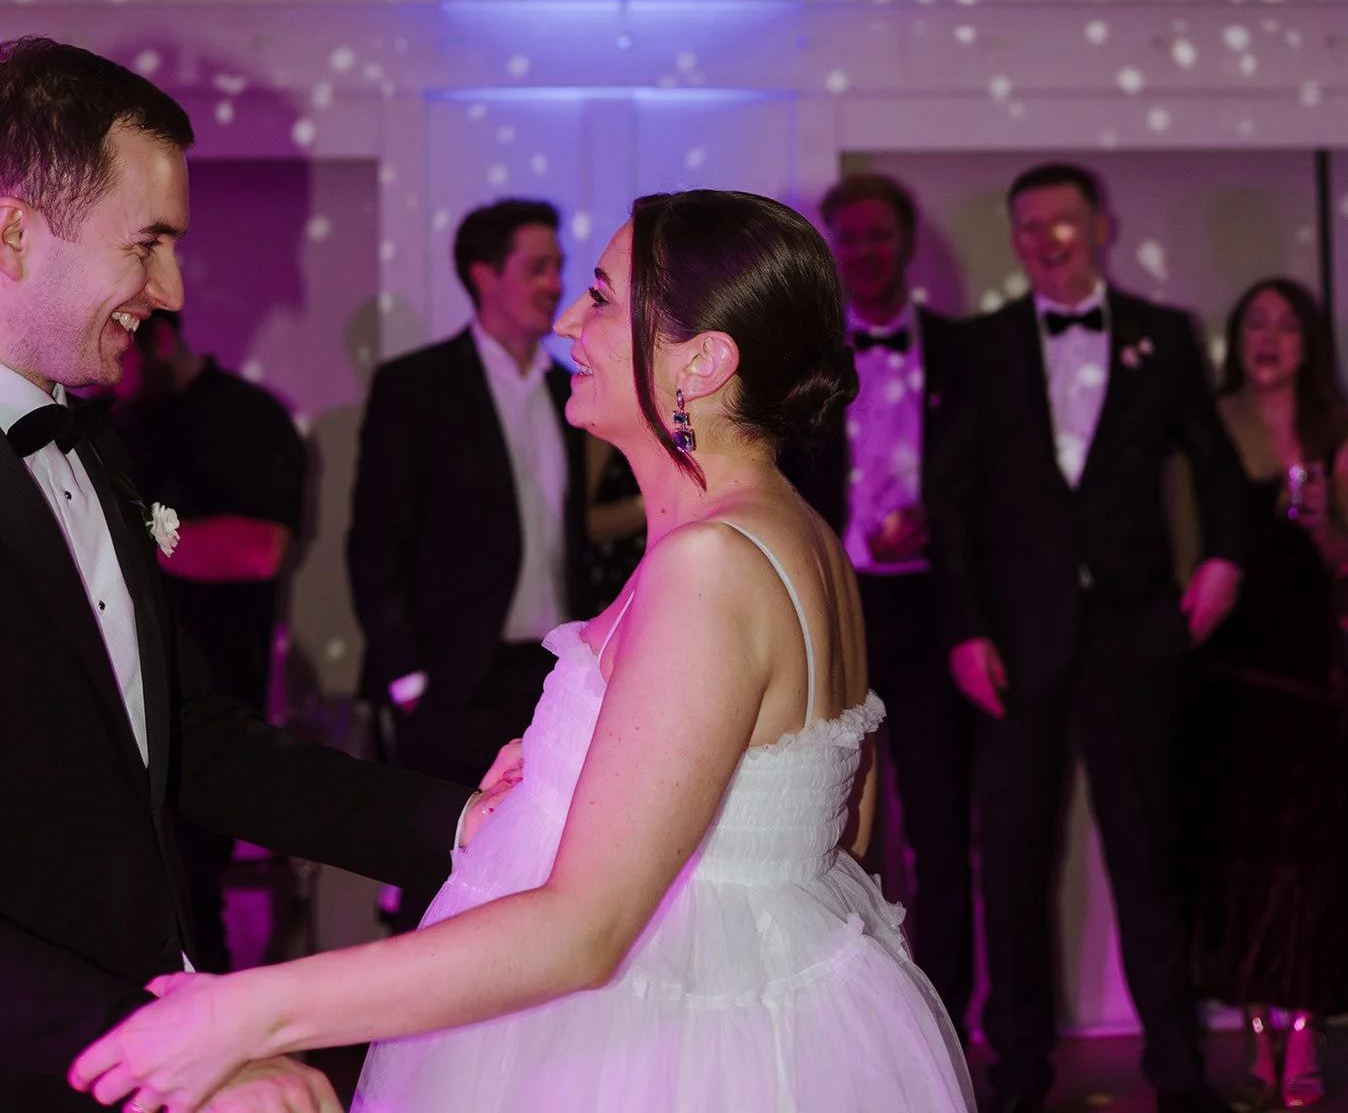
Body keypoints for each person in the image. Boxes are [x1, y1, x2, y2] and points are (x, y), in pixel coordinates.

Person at [72, 189, 975, 1113]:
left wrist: (248, 1011)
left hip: (663, 1047)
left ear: (701, 363)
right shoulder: (800, 536)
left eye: (602, 297)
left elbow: (586, 931)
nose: (570, 323)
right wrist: (562, 781)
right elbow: (835, 823)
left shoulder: (711, 562)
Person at [0, 36, 500, 1113]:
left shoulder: (88, 444)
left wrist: (465, 822)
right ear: (12, 231)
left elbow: (197, 742)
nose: (170, 289)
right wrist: (149, 1045)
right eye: (148, 244)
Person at [927, 161, 1248, 1113]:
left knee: (1149, 861)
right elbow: (951, 505)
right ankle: (1018, 1077)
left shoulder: (1163, 336)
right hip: (1013, 648)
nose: (1044, 239)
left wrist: (1224, 560)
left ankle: (1180, 1077)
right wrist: (966, 630)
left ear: (1100, 227)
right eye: (1027, 226)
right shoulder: (980, 345)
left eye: (1061, 222)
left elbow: (1218, 469)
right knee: (1012, 865)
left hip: (1133, 635)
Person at [346, 198, 586, 926]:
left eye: (558, 267)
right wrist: (411, 679)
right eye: (537, 267)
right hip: (450, 682)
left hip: (548, 679)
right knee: (439, 884)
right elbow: (374, 542)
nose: (555, 283)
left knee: (542, 876)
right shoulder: (416, 386)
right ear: (485, 275)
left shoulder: (567, 387)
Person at [785, 171, 974, 1035]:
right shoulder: (806, 361)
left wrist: (936, 523)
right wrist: (855, 549)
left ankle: (949, 1025)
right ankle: (855, 1028)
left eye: (877, 236)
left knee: (942, 835)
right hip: (837, 616)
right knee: (834, 829)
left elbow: (988, 490)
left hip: (938, 619)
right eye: (848, 238)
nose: (863, 253)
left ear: (905, 242)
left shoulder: (966, 352)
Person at [1177, 279, 1348, 1106]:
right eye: (1254, 323)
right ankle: (1255, 1032)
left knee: (1310, 858)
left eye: (1285, 325)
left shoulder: (1336, 430)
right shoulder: (1209, 424)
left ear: (1309, 341)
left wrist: (1323, 526)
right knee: (1231, 851)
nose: (1269, 337)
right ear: (1236, 340)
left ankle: (1306, 1028)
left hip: (1311, 676)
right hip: (1225, 673)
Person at [110, 309, 309, 973]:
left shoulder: (249, 419)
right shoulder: (106, 422)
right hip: (113, 704)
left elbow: (260, 549)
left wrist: (123, 543)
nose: (115, 374)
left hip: (210, 704)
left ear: (160, 338)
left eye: (127, 349)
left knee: (193, 903)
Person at [578, 435, 646, 610]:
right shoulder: (606, 422)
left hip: (668, 581)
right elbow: (577, 523)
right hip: (616, 589)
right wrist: (663, 503)